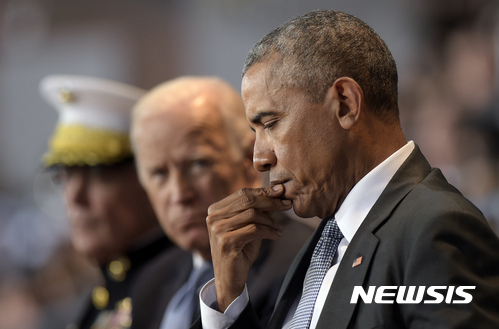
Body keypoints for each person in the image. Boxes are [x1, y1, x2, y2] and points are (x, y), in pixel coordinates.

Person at [197, 10, 499, 329]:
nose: (259, 157)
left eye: (270, 124)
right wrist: (229, 298)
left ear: (345, 104)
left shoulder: (437, 227)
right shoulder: (326, 241)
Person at [130, 76, 314, 329]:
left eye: (198, 164)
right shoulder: (151, 281)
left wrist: (228, 301)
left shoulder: (304, 267)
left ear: (249, 159)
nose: (179, 194)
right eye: (159, 174)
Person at [40, 74, 172, 329]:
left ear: (150, 178)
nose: (74, 197)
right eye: (64, 175)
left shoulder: (180, 286)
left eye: (98, 173)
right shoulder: (105, 292)